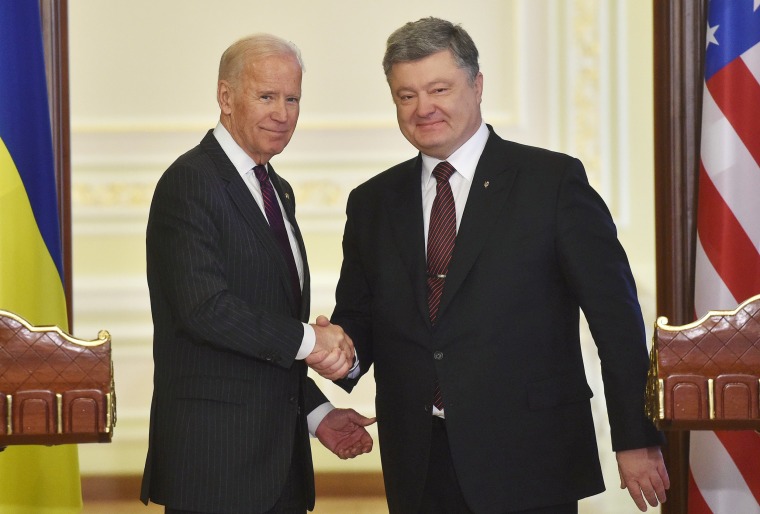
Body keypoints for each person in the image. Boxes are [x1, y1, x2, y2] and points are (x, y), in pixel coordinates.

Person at [331, 17, 669, 514]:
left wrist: (635, 437)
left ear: (477, 85)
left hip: (530, 458)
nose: (423, 108)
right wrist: (336, 350)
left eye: (439, 88)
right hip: (420, 463)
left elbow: (615, 319)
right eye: (406, 96)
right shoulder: (372, 202)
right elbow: (359, 321)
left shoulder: (551, 183)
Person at [140, 34, 374, 514]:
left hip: (277, 463)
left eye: (293, 99)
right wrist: (313, 342)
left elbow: (262, 332)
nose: (283, 113)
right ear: (225, 98)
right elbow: (205, 311)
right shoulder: (191, 182)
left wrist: (318, 414)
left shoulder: (276, 188)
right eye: (266, 96)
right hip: (215, 469)